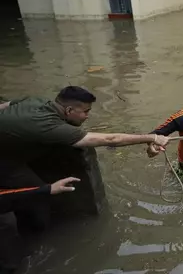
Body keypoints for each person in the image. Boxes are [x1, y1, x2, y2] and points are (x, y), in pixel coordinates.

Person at [0, 86, 170, 273]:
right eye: (86, 112)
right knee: (36, 199)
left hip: (10, 157)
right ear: (69, 110)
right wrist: (152, 137)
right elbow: (111, 139)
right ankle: (30, 247)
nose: (87, 116)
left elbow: (5, 105)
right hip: (5, 164)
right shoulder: (49, 126)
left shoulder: (36, 101)